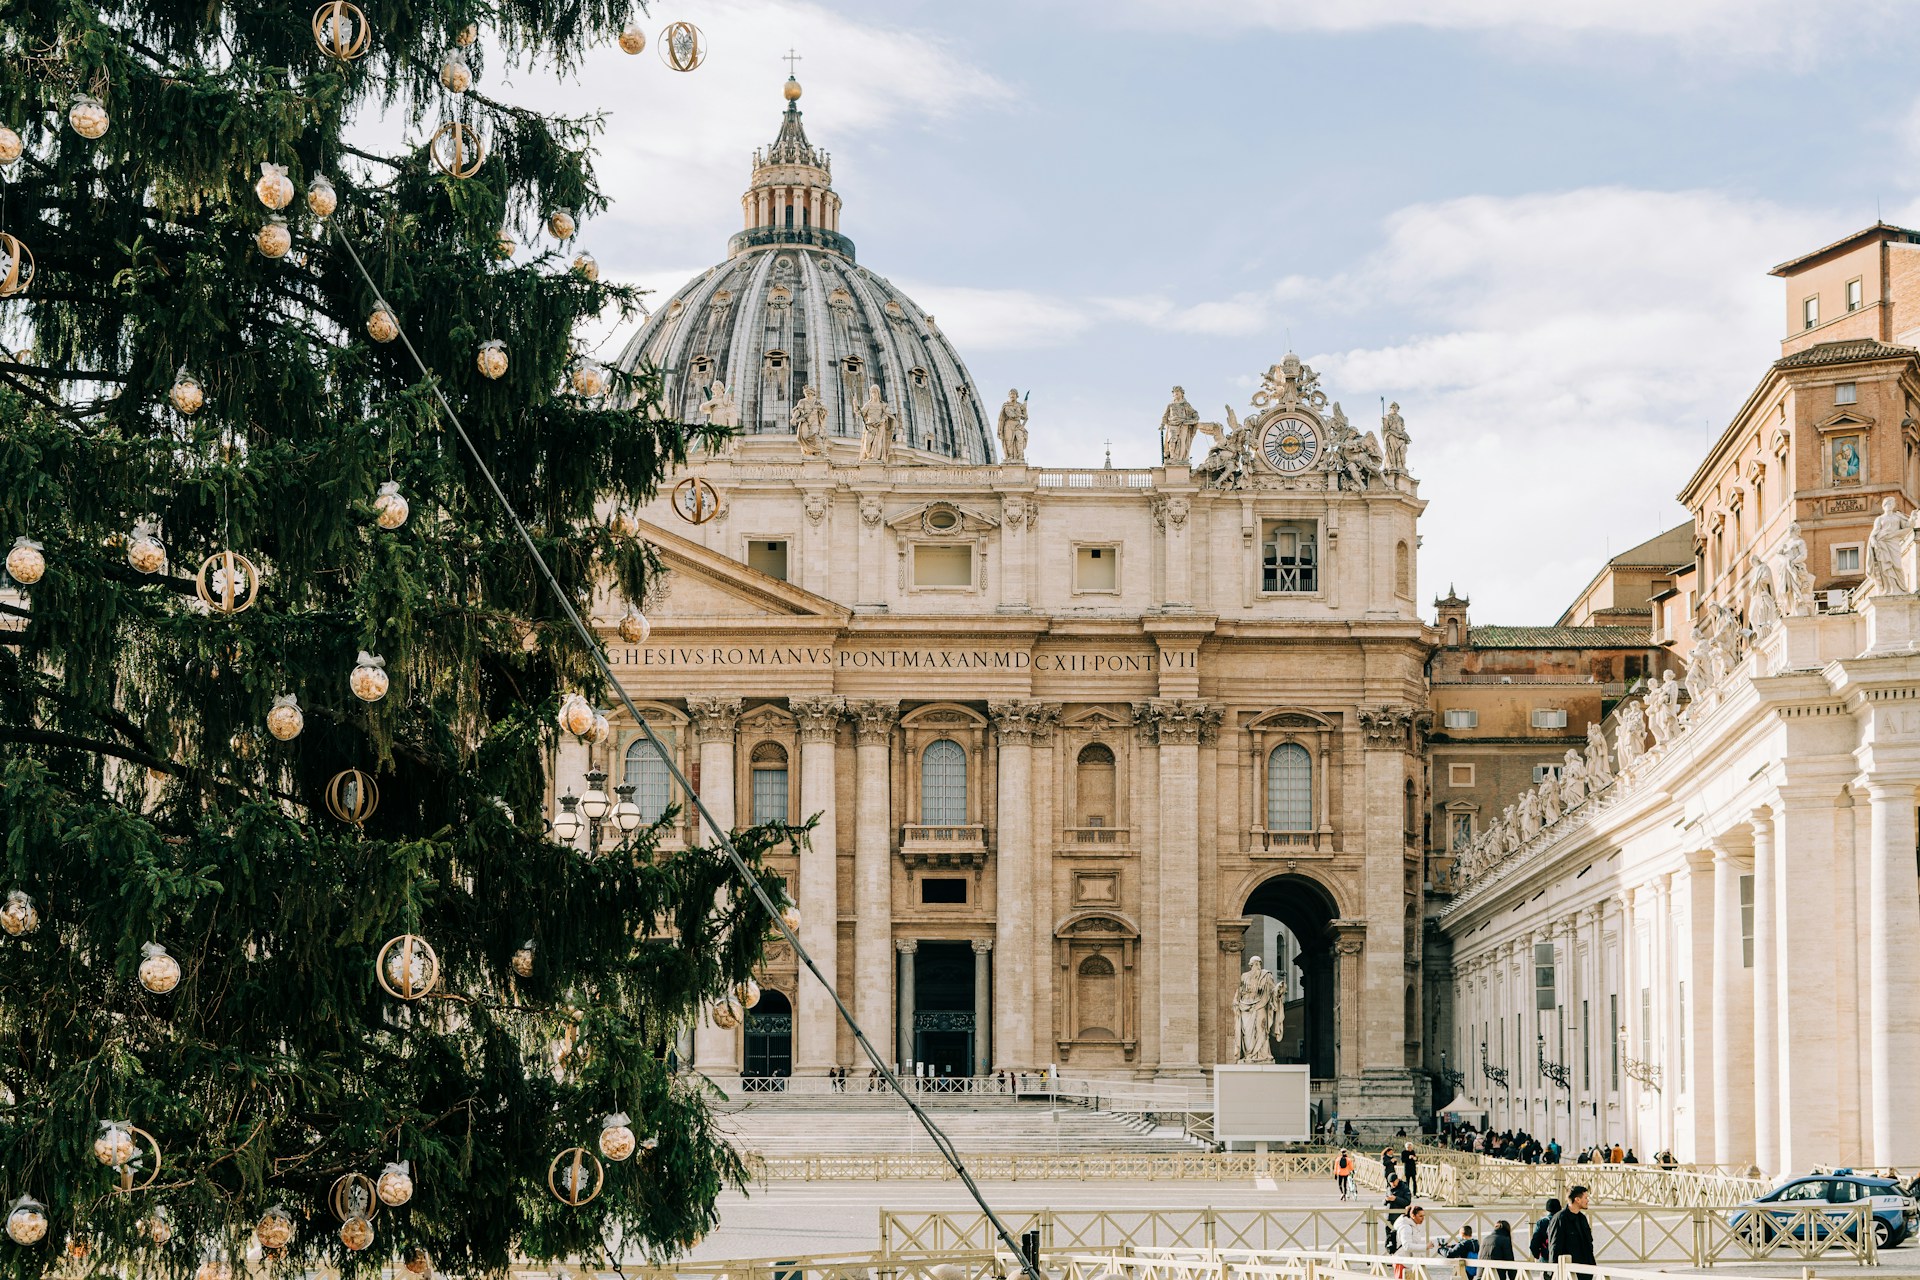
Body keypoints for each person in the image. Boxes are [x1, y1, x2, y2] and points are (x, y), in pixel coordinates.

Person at [1548, 1185, 1595, 1278]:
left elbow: (1589, 1242)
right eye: (1586, 1198)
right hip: (1568, 1272)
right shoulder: (1559, 1219)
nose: (1588, 1200)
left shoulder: (1582, 1218)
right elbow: (1555, 1247)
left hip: (1585, 1270)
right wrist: (1553, 1273)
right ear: (1577, 1199)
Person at [1393, 1205, 1432, 1277]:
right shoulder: (1406, 1227)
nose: (1423, 1219)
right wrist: (1425, 1246)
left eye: (1423, 1216)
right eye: (1420, 1216)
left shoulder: (1413, 1225)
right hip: (1402, 1262)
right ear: (1413, 1216)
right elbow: (1407, 1246)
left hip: (1410, 1261)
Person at [1529, 1197, 1561, 1262]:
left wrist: (1537, 1255)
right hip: (1562, 1257)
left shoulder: (1542, 1222)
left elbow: (1534, 1243)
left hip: (1546, 1255)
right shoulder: (1563, 1221)